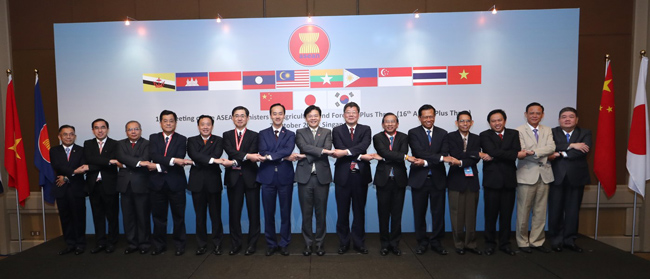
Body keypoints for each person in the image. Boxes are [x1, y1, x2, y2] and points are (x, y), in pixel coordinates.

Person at [408, 104, 454, 255]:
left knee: (438, 212)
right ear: (419, 118)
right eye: (425, 117)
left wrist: (427, 161)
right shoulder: (413, 133)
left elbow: (445, 152)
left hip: (437, 179)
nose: (428, 119)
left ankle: (436, 241)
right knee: (419, 213)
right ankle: (421, 241)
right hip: (419, 179)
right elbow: (418, 151)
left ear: (435, 116)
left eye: (431, 116)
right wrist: (440, 158)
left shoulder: (443, 133)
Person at [331, 102, 375, 254]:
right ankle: (343, 242)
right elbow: (338, 146)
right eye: (348, 112)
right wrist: (360, 155)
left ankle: (359, 242)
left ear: (358, 114)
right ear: (344, 114)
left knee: (359, 211)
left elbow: (363, 145)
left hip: (360, 176)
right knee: (342, 212)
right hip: (343, 177)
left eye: (354, 112)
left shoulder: (365, 129)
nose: (351, 114)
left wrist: (346, 152)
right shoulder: (336, 130)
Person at [480, 109, 525, 256]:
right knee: (490, 215)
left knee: (506, 215)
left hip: (509, 181)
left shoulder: (513, 133)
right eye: (493, 121)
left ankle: (505, 244)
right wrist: (509, 154)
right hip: (492, 181)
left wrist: (497, 154)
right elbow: (492, 150)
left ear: (504, 121)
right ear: (489, 123)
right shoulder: (484, 135)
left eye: (499, 120)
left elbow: (515, 151)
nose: (497, 123)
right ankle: (489, 243)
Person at [149, 110, 193, 256]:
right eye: (165, 121)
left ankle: (180, 245)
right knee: (158, 217)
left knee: (178, 217)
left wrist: (159, 164)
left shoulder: (182, 139)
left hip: (176, 183)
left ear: (175, 123)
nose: (168, 123)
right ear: (160, 122)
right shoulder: (153, 137)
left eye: (171, 121)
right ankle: (159, 245)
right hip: (157, 183)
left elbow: (180, 156)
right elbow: (154, 155)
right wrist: (172, 160)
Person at [547, 107, 591, 253]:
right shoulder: (551, 132)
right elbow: (550, 148)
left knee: (572, 211)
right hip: (556, 177)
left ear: (576, 120)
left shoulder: (585, 133)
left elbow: (582, 151)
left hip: (576, 177)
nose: (567, 119)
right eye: (564, 116)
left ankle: (570, 240)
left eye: (571, 116)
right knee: (555, 210)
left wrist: (560, 153)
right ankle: (556, 240)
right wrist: (571, 145)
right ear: (559, 120)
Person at [223, 106, 264, 256]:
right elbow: (230, 151)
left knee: (254, 213)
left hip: (251, 178)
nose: (239, 118)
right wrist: (247, 156)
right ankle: (236, 244)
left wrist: (237, 159)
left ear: (247, 118)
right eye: (236, 116)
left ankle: (252, 244)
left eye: (242, 116)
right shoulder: (226, 135)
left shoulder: (255, 135)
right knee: (234, 213)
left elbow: (252, 151)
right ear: (232, 118)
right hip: (233, 180)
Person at [515, 102, 555, 253]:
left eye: (538, 113)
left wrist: (534, 152)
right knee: (523, 210)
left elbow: (552, 147)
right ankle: (523, 241)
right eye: (531, 113)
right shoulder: (518, 131)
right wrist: (543, 154)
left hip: (544, 175)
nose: (534, 115)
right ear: (526, 114)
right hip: (526, 175)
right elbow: (523, 151)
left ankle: (537, 241)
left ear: (542, 115)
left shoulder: (548, 130)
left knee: (540, 210)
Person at [257, 103, 296, 256]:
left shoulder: (290, 134)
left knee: (285, 213)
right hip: (267, 178)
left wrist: (270, 156)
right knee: (268, 213)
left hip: (285, 177)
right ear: (270, 115)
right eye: (274, 113)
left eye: (280, 113)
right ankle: (271, 243)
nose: (277, 116)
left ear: (284, 115)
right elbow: (262, 150)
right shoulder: (262, 133)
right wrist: (281, 156)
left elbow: (288, 149)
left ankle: (284, 242)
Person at [294, 105, 333, 256]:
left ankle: (320, 244)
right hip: (305, 178)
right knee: (306, 213)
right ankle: (308, 244)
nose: (313, 118)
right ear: (306, 118)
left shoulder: (327, 132)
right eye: (310, 116)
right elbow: (303, 146)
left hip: (321, 178)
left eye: (316, 115)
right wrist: (321, 151)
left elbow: (328, 148)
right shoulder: (300, 132)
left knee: (321, 213)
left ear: (320, 117)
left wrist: (306, 155)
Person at [187, 115, 225, 255]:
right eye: (202, 124)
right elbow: (193, 154)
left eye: (208, 124)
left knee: (216, 216)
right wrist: (212, 160)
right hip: (197, 184)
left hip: (213, 182)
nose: (205, 127)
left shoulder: (219, 140)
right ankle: (201, 244)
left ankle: (217, 244)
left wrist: (199, 158)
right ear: (198, 126)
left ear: (212, 126)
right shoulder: (191, 140)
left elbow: (216, 154)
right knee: (200, 216)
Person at [445, 111, 482, 255]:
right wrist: (471, 154)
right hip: (456, 180)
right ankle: (459, 244)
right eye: (462, 121)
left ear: (472, 123)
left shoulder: (476, 138)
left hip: (472, 180)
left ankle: (471, 244)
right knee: (456, 214)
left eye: (467, 121)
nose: (465, 124)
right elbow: (454, 153)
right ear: (456, 123)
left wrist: (460, 161)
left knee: (471, 214)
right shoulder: (450, 137)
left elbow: (476, 158)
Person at [116, 120, 154, 254]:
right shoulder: (120, 144)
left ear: (141, 130)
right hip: (125, 186)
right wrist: (138, 162)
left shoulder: (147, 144)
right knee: (128, 216)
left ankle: (144, 244)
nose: (133, 131)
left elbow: (146, 158)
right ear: (126, 131)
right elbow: (120, 156)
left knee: (142, 216)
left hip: (142, 185)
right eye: (130, 129)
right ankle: (132, 244)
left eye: (136, 129)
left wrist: (126, 163)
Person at [83, 118, 121, 254]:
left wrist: (91, 166)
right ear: (93, 130)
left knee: (112, 216)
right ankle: (100, 242)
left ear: (107, 129)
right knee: (97, 216)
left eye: (103, 127)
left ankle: (112, 242)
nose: (100, 130)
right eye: (97, 128)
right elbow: (89, 158)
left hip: (110, 185)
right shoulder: (88, 144)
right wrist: (109, 161)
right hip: (94, 186)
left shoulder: (115, 144)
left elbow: (92, 162)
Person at [372, 113, 407, 256]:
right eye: (387, 122)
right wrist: (401, 157)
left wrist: (386, 157)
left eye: (393, 122)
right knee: (383, 214)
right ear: (382, 124)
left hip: (399, 180)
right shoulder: (377, 137)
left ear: (397, 124)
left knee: (397, 214)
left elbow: (402, 153)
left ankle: (395, 244)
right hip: (383, 181)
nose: (390, 124)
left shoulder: (404, 137)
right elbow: (383, 151)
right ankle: (385, 244)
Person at [50, 125, 88, 255]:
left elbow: (83, 168)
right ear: (59, 137)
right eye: (65, 134)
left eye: (71, 134)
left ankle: (80, 244)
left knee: (79, 217)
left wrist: (66, 177)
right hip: (61, 190)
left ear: (75, 136)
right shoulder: (54, 151)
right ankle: (70, 244)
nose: (68, 137)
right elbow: (57, 166)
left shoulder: (82, 150)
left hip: (77, 189)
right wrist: (73, 171)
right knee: (65, 218)